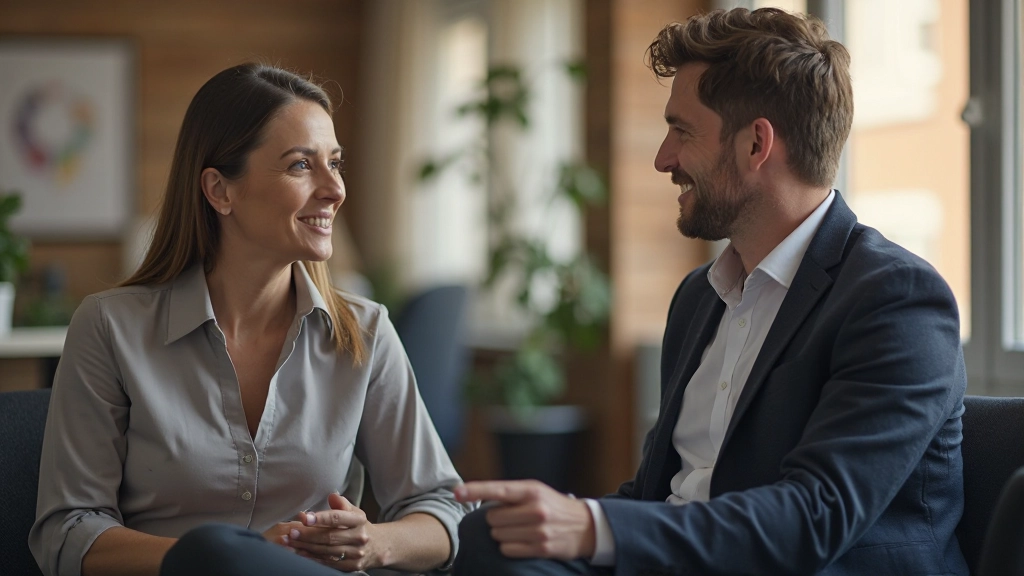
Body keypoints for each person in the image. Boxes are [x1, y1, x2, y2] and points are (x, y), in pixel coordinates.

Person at [453, 8, 969, 575]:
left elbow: (816, 516)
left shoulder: (897, 299)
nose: (662, 158)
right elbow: (662, 497)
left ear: (756, 145)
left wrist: (592, 528)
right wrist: (555, 519)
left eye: (682, 130)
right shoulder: (699, 297)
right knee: (489, 538)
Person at [29, 63, 473, 576]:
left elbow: (445, 509)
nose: (335, 189)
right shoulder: (109, 328)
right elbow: (68, 532)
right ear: (220, 191)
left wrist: (374, 543)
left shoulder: (364, 332)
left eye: (335, 163)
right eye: (301, 166)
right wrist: (230, 560)